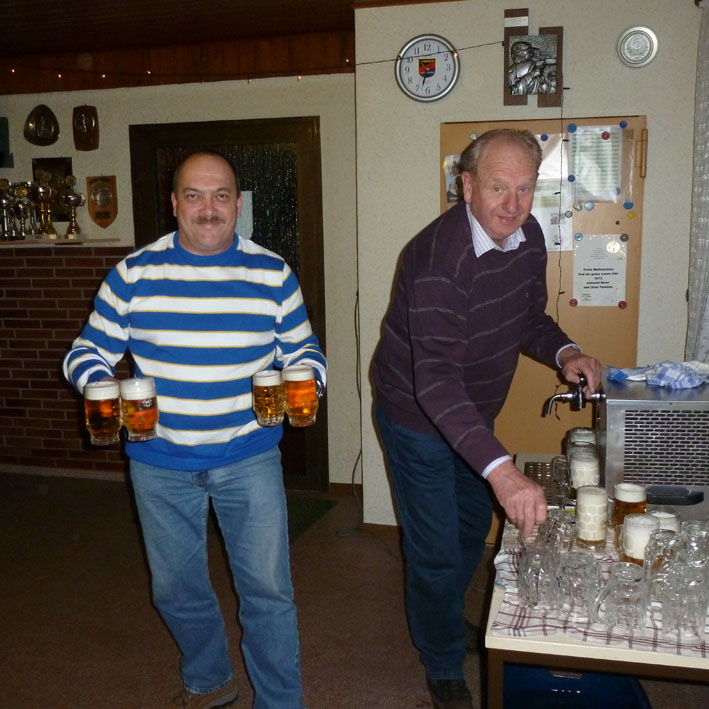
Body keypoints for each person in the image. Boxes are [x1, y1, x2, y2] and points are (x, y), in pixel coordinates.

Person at [63, 150, 326, 709]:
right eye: (194, 195)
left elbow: (304, 351)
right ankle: (210, 679)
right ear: (174, 203)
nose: (209, 208)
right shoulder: (134, 273)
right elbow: (86, 351)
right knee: (175, 590)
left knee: (268, 592)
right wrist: (98, 383)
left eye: (221, 196)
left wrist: (309, 380)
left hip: (248, 456)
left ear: (238, 204)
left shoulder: (273, 273)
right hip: (159, 461)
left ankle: (281, 703)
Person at [372, 129, 601, 709]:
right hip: (416, 414)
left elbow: (529, 318)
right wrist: (502, 471)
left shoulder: (529, 237)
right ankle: (443, 661)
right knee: (435, 547)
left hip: (472, 413)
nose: (512, 204)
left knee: (471, 526)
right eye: (498, 187)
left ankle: (443, 614)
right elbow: (435, 381)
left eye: (525, 188)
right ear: (467, 185)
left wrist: (566, 353)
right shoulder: (436, 259)